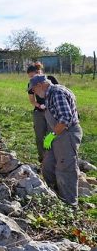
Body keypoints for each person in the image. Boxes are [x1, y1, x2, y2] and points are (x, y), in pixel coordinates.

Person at [28, 75, 82, 206]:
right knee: (48, 164)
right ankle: (54, 192)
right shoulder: (49, 95)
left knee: (65, 166)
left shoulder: (57, 93)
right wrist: (51, 135)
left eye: (33, 90)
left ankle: (69, 203)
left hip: (67, 134)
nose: (34, 93)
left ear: (40, 85)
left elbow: (65, 119)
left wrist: (52, 135)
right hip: (57, 133)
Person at [26, 62, 59, 162]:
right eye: (29, 77)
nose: (31, 79)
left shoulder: (51, 79)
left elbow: (57, 94)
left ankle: (53, 158)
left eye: (32, 76)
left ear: (39, 72)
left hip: (52, 112)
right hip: (39, 112)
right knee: (40, 136)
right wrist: (39, 105)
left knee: (52, 135)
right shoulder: (31, 84)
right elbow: (32, 100)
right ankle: (43, 159)